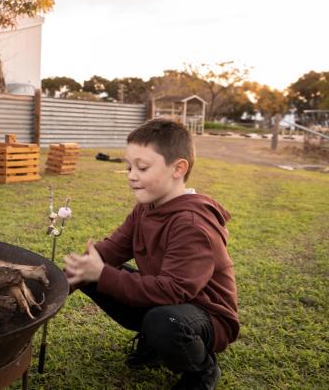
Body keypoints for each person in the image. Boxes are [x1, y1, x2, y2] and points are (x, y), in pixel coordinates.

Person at [64, 118, 238, 390]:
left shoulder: (192, 224)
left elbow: (174, 290)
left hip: (205, 314)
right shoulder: (146, 208)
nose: (132, 175)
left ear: (178, 168)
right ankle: (154, 342)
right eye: (129, 166)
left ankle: (203, 370)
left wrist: (102, 273)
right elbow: (112, 250)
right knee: (91, 270)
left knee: (163, 321)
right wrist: (59, 285)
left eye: (142, 167)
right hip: (164, 298)